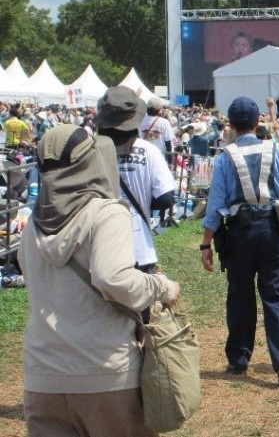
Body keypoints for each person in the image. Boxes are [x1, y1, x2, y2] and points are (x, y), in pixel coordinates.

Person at [19, 124, 180, 437]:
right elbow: (113, 278)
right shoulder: (106, 213)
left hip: (43, 378)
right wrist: (163, 287)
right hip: (104, 373)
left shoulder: (31, 226)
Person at [201, 96, 279, 385]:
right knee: (278, 294)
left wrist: (206, 243)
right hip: (273, 228)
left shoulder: (226, 157)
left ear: (231, 126)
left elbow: (215, 206)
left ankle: (238, 357)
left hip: (239, 232)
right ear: (258, 121)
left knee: (240, 294)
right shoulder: (275, 150)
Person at [94, 87, 177, 277]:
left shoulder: (90, 152)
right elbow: (166, 198)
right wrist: (144, 201)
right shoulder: (149, 151)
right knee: (140, 304)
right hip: (139, 247)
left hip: (100, 248)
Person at [139, 96, 175, 162]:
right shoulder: (164, 122)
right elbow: (168, 142)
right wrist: (170, 161)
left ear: (147, 108)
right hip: (159, 156)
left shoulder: (140, 121)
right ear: (159, 110)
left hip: (143, 156)